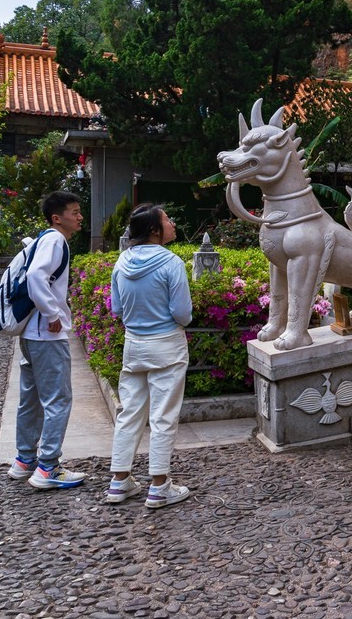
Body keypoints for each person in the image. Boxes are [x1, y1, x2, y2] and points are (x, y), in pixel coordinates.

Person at [105, 204, 194, 509]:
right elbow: (183, 313)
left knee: (129, 414)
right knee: (163, 417)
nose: (172, 223)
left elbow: (116, 309)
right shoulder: (171, 263)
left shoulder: (122, 261)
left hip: (134, 345)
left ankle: (119, 482)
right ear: (155, 231)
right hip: (167, 344)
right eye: (167, 220)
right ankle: (158, 486)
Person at [6, 191, 86, 489]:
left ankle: (24, 459)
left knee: (30, 399)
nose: (79, 217)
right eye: (74, 212)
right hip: (46, 334)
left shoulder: (44, 238)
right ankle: (48, 468)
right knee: (58, 399)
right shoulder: (55, 240)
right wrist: (52, 313)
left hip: (31, 333)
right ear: (57, 217)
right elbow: (37, 278)